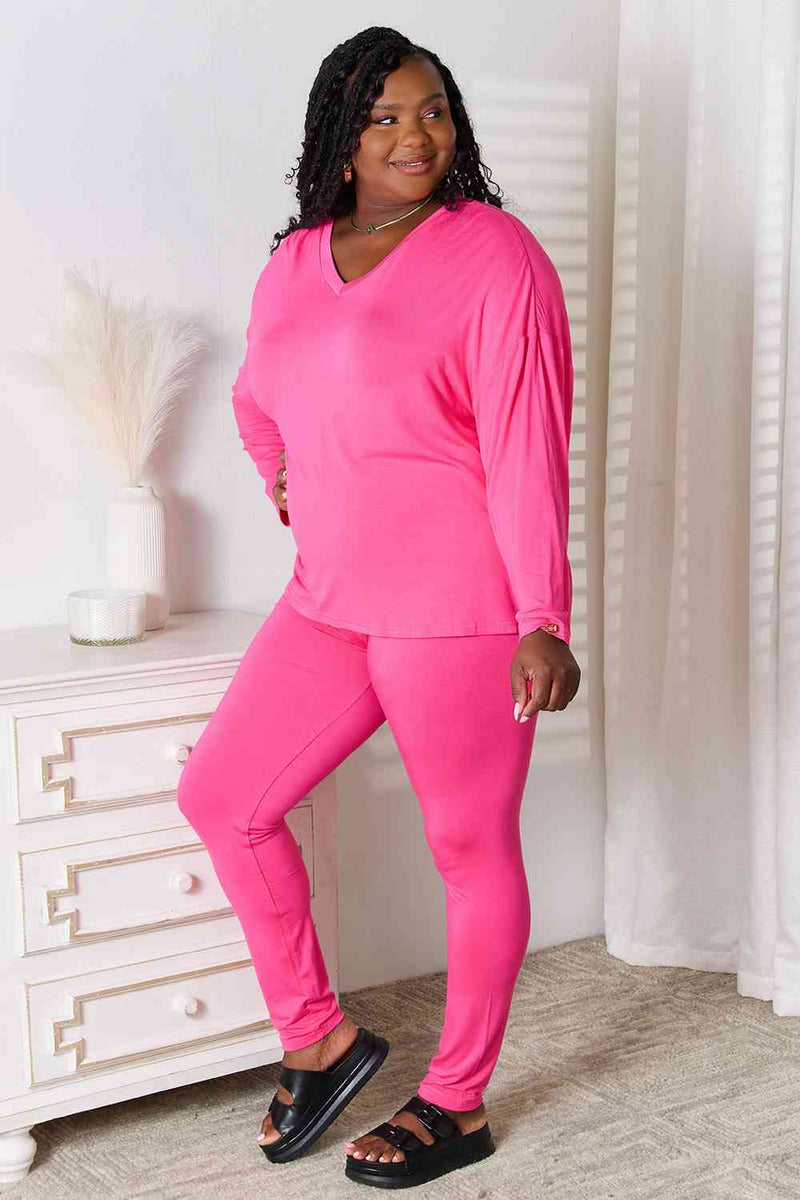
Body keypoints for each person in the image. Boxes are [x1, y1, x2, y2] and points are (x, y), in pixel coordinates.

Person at [176, 24, 581, 1190]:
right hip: (330, 600)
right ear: (339, 137)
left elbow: (525, 442)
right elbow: (257, 397)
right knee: (223, 798)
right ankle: (320, 1040)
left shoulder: (492, 254)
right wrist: (283, 479)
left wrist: (542, 614)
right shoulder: (298, 260)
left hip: (457, 608)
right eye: (385, 116)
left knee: (466, 848)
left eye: (433, 111)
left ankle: (455, 1101)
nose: (415, 136)